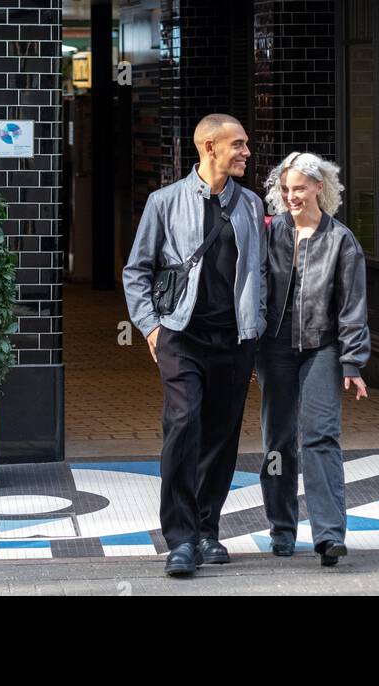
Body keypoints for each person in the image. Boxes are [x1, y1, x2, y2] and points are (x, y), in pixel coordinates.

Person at [122, 114, 267, 577]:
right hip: (181, 336)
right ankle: (180, 539)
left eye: (245, 145)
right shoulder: (164, 202)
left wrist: (256, 324)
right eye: (238, 145)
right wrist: (150, 327)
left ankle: (208, 530)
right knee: (183, 426)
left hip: (234, 339)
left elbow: (259, 271)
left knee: (222, 436)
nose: (246, 152)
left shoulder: (249, 204)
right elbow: (136, 270)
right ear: (209, 147)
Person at [256, 151, 370, 567]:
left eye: (299, 188)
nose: (291, 196)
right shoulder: (270, 233)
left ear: (320, 187)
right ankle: (281, 529)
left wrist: (353, 362)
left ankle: (328, 535)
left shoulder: (341, 240)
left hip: (323, 347)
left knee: (320, 436)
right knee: (277, 440)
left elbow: (352, 306)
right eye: (285, 190)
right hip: (274, 347)